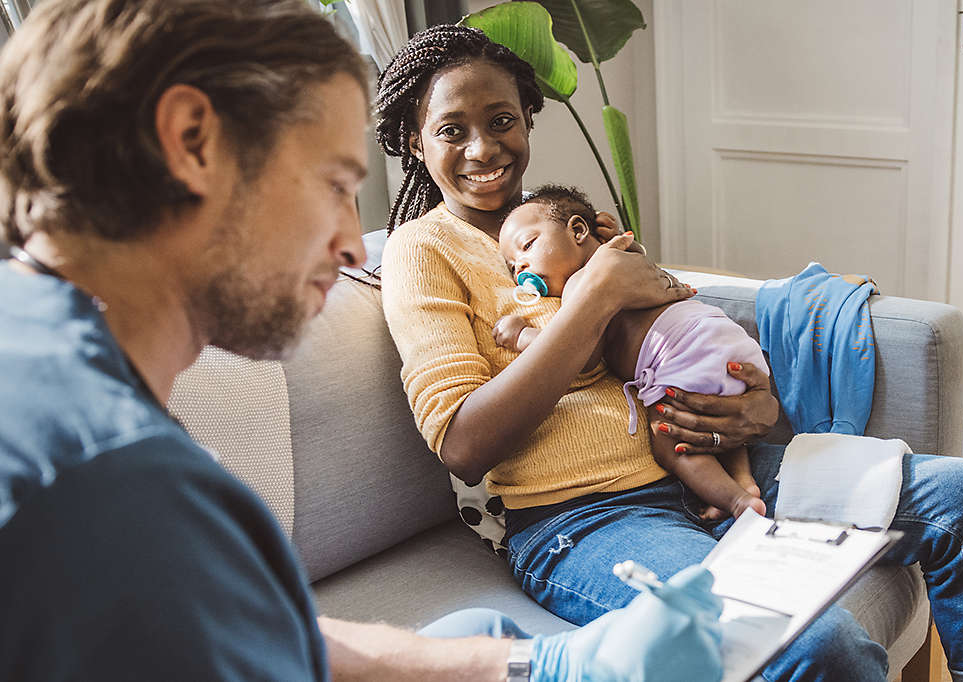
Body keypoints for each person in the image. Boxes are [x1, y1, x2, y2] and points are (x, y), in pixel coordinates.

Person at [0, 1, 727, 680]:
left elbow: (264, 631)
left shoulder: (66, 365)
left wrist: (517, 665)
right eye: (332, 183)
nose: (355, 245)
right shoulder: (93, 463)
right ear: (193, 143)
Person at [377, 23, 963, 681]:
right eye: (452, 130)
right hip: (583, 519)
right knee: (817, 641)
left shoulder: (578, 231)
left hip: (697, 463)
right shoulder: (421, 251)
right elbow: (461, 442)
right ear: (412, 139)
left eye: (502, 120)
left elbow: (675, 338)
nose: (483, 147)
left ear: (528, 123)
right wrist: (592, 298)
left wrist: (755, 402)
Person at [493, 185, 768, 520]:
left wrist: (523, 335)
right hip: (721, 338)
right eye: (512, 266)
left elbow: (582, 355)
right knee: (717, 421)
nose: (521, 266)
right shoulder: (628, 261)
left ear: (579, 230)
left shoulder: (584, 283)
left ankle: (737, 502)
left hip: (680, 351)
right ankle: (742, 481)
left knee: (672, 444)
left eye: (528, 246)